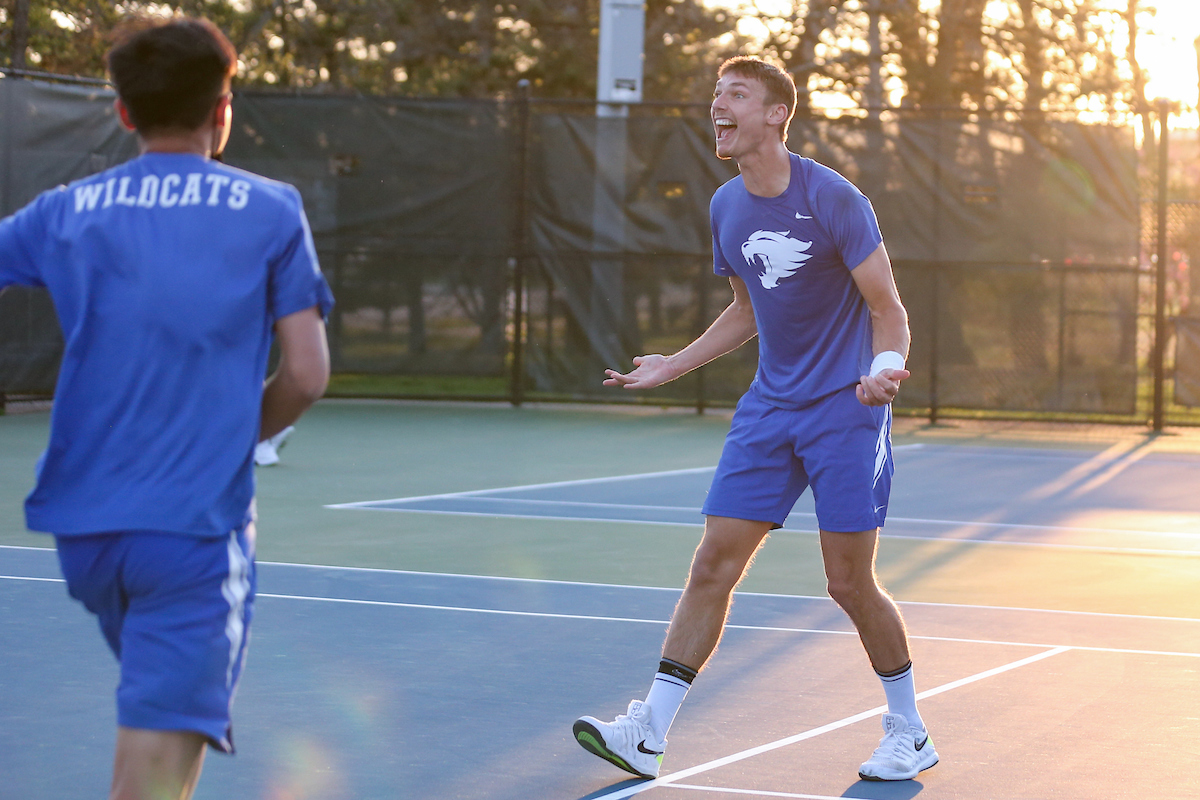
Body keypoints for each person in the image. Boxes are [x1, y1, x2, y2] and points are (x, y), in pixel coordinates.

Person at [573, 56, 936, 783]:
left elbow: (886, 306)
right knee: (712, 564)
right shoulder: (726, 207)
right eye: (715, 96)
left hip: (846, 410)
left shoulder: (834, 198)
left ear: (776, 114)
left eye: (735, 95)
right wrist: (671, 364)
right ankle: (649, 731)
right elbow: (746, 309)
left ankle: (909, 729)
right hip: (770, 408)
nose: (718, 106)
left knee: (848, 583)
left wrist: (883, 367)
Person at [0, 16, 333, 800]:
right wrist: (230, 437)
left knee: (150, 743)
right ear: (224, 107)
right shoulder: (271, 209)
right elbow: (308, 375)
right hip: (190, 538)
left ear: (122, 111)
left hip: (84, 538)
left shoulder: (65, 210)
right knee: (151, 782)